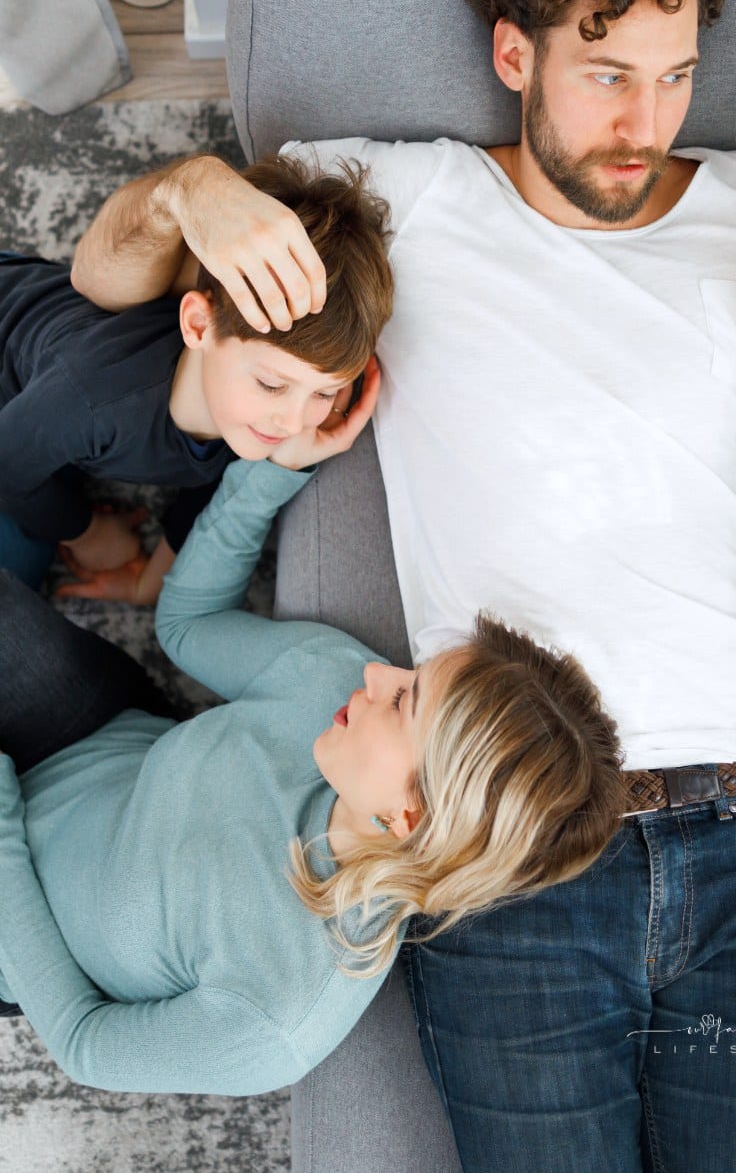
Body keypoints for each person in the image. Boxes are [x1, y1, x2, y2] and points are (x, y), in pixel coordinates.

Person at [66, 0, 736, 1168]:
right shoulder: (406, 197)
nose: (648, 123)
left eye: (676, 77)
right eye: (607, 76)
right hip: (506, 829)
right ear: (516, 58)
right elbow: (108, 280)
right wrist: (195, 190)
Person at [0, 383, 625, 1093]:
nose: (375, 673)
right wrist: (274, 468)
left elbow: (86, 1043)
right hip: (83, 732)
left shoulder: (280, 1012)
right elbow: (188, 625)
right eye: (410, 674)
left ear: (409, 815)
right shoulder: (333, 690)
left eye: (404, 701)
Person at [0, 154, 392, 603]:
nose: (292, 422)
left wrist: (153, 582)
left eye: (324, 392)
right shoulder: (95, 399)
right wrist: (84, 532)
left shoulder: (239, 405)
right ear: (199, 326)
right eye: (272, 385)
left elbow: (208, 482)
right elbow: (8, 466)